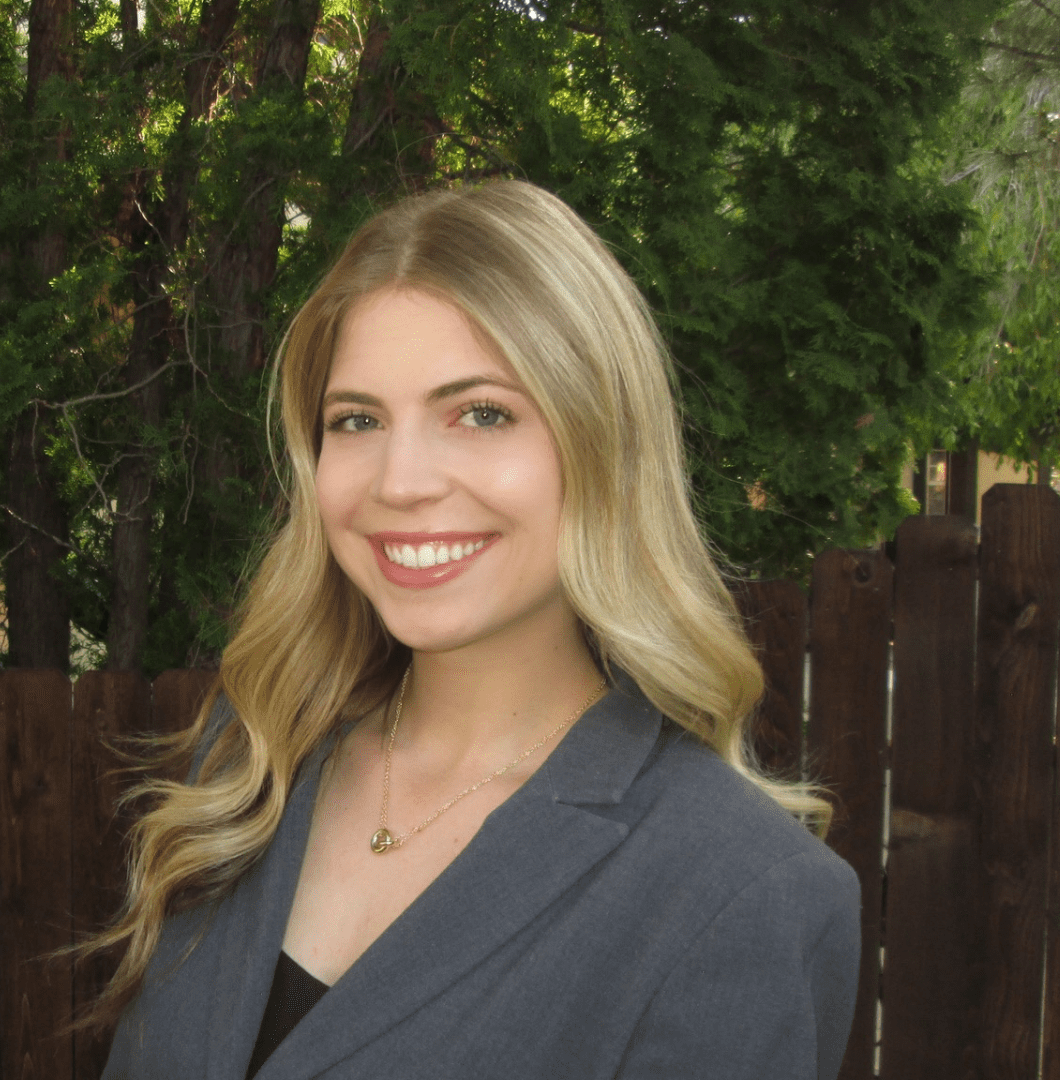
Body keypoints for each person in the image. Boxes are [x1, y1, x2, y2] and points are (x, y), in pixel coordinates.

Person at [74, 180, 861, 1079]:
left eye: (481, 413)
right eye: (357, 420)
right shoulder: (249, 763)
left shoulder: (741, 894)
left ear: (600, 441)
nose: (400, 480)